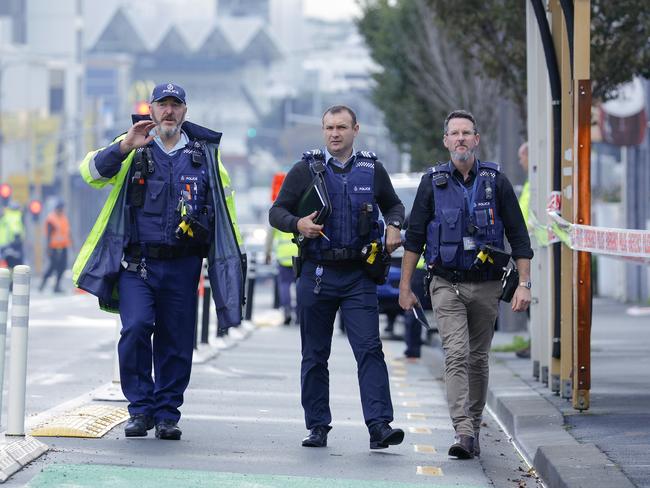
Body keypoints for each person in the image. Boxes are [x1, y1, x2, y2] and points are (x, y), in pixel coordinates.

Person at [72, 83, 246, 441]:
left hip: (183, 266)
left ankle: (167, 413)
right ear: (151, 109)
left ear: (184, 111)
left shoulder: (205, 157)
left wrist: (230, 264)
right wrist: (123, 147)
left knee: (177, 341)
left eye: (175, 105)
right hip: (138, 265)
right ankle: (140, 410)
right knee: (135, 328)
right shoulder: (134, 147)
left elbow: (226, 215)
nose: (169, 111)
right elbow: (90, 173)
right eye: (162, 104)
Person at [269, 105, 406, 450]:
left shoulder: (371, 170)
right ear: (323, 130)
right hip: (317, 274)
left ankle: (379, 425)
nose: (334, 133)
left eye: (341, 127)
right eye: (329, 127)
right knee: (315, 354)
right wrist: (296, 224)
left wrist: (393, 225)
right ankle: (317, 426)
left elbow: (394, 205)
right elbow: (277, 212)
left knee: (370, 349)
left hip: (359, 275)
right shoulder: (305, 169)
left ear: (355, 130)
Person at [398, 110, 532, 459]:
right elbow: (414, 239)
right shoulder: (432, 182)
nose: (460, 138)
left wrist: (524, 284)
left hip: (487, 284)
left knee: (478, 358)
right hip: (446, 284)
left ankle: (471, 425)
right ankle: (463, 429)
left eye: (466, 133)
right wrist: (405, 286)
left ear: (476, 140)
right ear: (445, 141)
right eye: (454, 133)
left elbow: (518, 236)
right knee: (456, 354)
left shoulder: (495, 181)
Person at [515, 141, 532, 359]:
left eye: (522, 158)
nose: (520, 162)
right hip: (528, 245)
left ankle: (535, 343)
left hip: (535, 248)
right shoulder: (530, 183)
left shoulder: (535, 182)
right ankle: (533, 341)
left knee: (532, 300)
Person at [266, 228, 298, 325]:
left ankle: (287, 312)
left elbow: (270, 237)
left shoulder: (279, 215)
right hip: (297, 255)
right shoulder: (298, 214)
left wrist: (267, 253)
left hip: (283, 257)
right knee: (299, 286)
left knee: (284, 285)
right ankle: (299, 315)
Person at [40, 200, 71, 293]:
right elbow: (49, 234)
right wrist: (48, 248)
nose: (62, 210)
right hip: (54, 247)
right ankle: (42, 284)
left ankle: (57, 286)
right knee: (52, 267)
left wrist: (71, 244)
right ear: (57, 208)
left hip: (64, 246)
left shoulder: (64, 218)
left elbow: (68, 232)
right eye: (61, 208)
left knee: (62, 267)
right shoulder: (51, 219)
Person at [0, 201, 25, 269]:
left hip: (3, 245)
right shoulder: (16, 216)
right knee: (17, 268)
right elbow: (16, 230)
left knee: (4, 267)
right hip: (13, 245)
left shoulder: (5, 216)